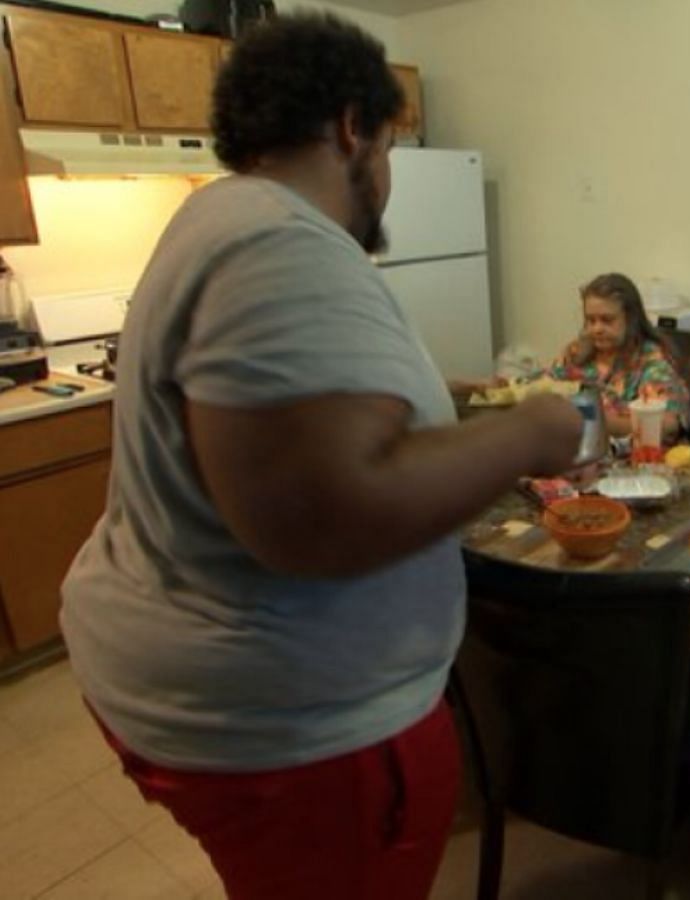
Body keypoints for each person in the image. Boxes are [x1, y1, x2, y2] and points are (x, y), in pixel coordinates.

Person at [58, 14, 582, 900]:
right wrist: (535, 429)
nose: (386, 176)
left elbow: (299, 415)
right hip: (298, 734)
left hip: (204, 687)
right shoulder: (281, 243)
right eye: (387, 144)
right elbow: (326, 514)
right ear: (352, 128)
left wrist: (442, 399)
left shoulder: (218, 218)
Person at [544, 272, 690, 443]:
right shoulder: (577, 353)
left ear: (631, 319)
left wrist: (593, 420)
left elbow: (667, 426)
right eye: (591, 320)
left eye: (607, 320)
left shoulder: (652, 361)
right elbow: (541, 388)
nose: (597, 329)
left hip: (638, 461)